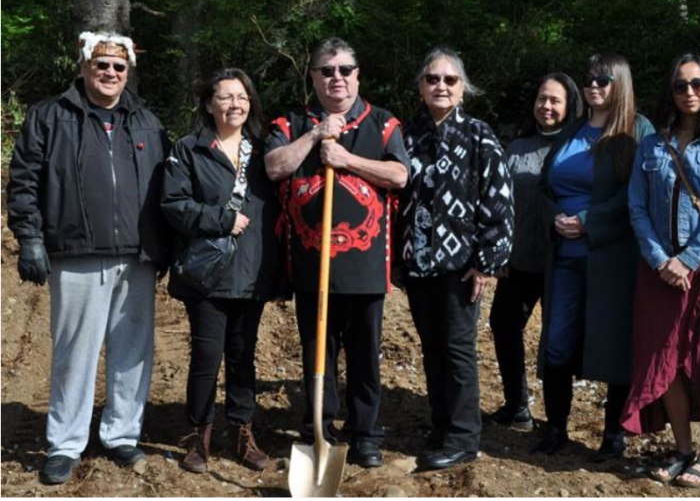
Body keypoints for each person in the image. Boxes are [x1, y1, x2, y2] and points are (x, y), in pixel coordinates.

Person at [5, 31, 169, 484]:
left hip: (136, 257)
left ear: (128, 71)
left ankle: (121, 433)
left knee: (133, 353)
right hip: (76, 253)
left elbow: (165, 192)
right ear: (83, 66)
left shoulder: (147, 122)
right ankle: (65, 442)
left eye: (119, 66)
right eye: (102, 64)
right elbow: (23, 183)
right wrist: (31, 238)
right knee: (74, 353)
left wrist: (165, 247)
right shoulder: (50, 117)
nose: (110, 72)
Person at [264, 37, 409, 468]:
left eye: (345, 69)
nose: (337, 78)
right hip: (311, 265)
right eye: (327, 71)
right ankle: (318, 427)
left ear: (358, 75)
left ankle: (365, 432)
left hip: (365, 268)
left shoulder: (383, 124)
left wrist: (345, 159)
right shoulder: (290, 122)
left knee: (365, 355)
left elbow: (400, 175)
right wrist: (315, 135)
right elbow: (274, 167)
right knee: (316, 352)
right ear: (313, 77)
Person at [622, 53, 700, 487]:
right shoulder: (652, 145)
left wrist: (687, 259)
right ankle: (682, 447)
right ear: (671, 91)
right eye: (681, 85)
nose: (690, 91)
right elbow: (636, 206)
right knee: (665, 358)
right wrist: (661, 259)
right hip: (658, 270)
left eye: (698, 83)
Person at [533, 53, 654, 459]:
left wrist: (588, 219)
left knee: (613, 345)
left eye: (603, 80)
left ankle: (613, 436)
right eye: (589, 80)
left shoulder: (637, 131)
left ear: (620, 82)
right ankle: (554, 430)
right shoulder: (572, 133)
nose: (594, 87)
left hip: (613, 259)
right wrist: (557, 218)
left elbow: (637, 196)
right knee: (556, 343)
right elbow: (545, 188)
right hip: (565, 257)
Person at [161, 69, 283, 474]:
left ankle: (243, 433)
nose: (236, 104)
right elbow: (173, 205)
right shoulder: (189, 149)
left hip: (252, 271)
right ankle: (199, 434)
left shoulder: (265, 151)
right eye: (227, 97)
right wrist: (219, 219)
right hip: (207, 275)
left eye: (243, 97)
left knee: (243, 356)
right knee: (206, 356)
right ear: (209, 103)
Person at [398, 47, 513, 470]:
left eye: (449, 80)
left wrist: (487, 260)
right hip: (418, 263)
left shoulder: (480, 136)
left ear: (463, 88)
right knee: (431, 348)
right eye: (432, 79)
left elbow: (499, 201)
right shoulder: (408, 135)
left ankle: (464, 436)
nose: (440, 86)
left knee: (458, 349)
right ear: (421, 86)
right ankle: (441, 424)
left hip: (462, 265)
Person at [487, 73, 583, 429]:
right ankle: (517, 405)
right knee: (503, 326)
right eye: (542, 98)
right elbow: (501, 205)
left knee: (556, 340)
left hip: (561, 262)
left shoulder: (578, 148)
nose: (547, 106)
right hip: (518, 262)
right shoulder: (517, 147)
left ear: (570, 105)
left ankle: (557, 419)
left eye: (555, 100)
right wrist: (500, 254)